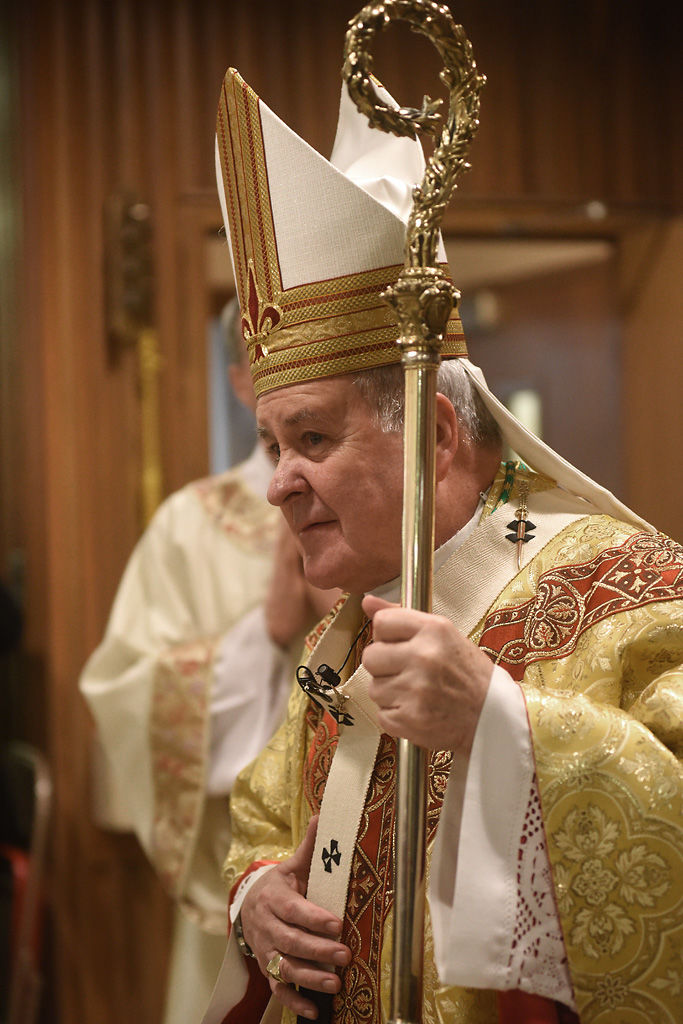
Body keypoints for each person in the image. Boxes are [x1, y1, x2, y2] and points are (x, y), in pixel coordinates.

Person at [202, 67, 683, 1024]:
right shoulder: (342, 637)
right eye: (269, 444)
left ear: (434, 435)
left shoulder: (633, 593)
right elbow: (261, 813)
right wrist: (257, 894)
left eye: (311, 440)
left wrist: (501, 724)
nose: (277, 483)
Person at [79, 301, 339, 1024]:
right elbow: (126, 689)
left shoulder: (398, 505)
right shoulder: (192, 525)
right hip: (247, 873)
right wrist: (267, 632)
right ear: (237, 381)